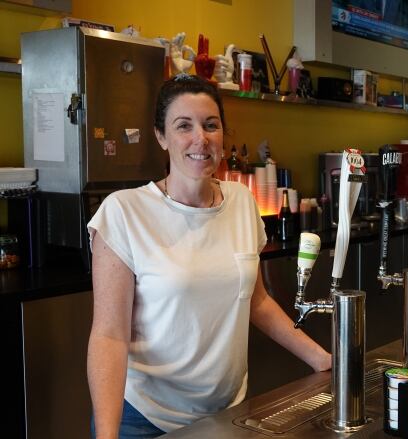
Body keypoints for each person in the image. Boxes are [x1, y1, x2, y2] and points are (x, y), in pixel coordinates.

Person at [87, 74, 331, 438]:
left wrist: (322, 359)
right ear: (161, 136)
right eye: (183, 125)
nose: (200, 138)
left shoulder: (242, 202)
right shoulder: (124, 212)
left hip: (228, 414)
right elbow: (109, 336)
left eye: (210, 125)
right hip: (146, 420)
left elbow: (256, 301)